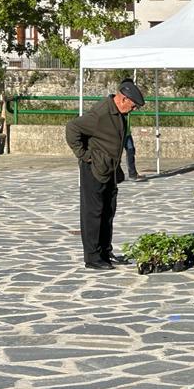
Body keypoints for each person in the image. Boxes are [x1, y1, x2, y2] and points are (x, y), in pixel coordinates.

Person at [65, 78, 144, 270]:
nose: (133, 110)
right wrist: (85, 155)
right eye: (133, 106)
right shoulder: (101, 113)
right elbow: (72, 128)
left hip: (109, 170)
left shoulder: (118, 113)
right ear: (123, 99)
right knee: (93, 212)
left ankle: (105, 251)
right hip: (94, 169)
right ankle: (92, 257)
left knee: (108, 211)